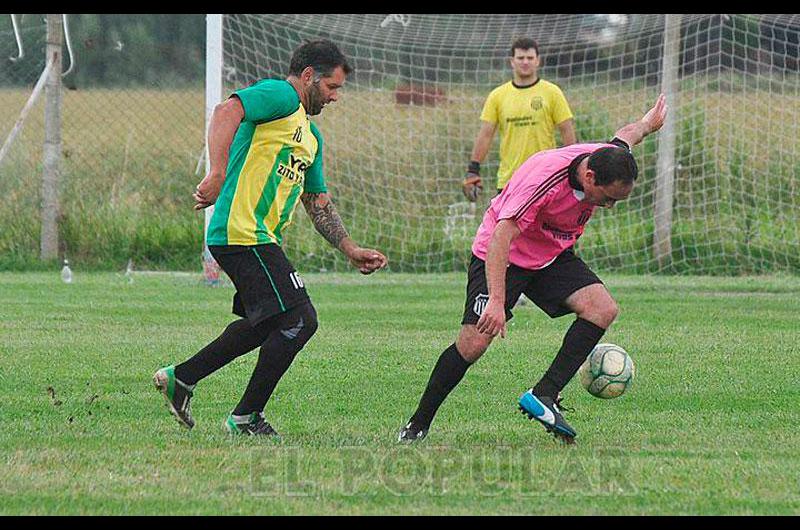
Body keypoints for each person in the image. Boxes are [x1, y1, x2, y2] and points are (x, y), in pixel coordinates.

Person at [399, 94, 667, 445]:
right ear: (589, 176)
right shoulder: (543, 180)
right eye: (608, 198)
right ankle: (418, 424)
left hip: (549, 255)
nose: (610, 206)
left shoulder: (609, 160)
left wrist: (648, 124)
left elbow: (627, 135)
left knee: (602, 308)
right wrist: (497, 301)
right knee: (474, 343)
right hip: (501, 255)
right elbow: (501, 236)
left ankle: (544, 394)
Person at [154, 40, 387, 436]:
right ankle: (245, 416)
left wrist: (350, 249)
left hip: (258, 238)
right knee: (301, 319)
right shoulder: (282, 95)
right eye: (332, 87)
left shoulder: (311, 137)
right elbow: (227, 110)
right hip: (242, 233)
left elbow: (317, 202)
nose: (335, 98)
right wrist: (217, 172)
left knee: (267, 323)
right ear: (309, 76)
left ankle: (184, 378)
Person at [462, 37, 577, 202]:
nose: (525, 62)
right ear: (512, 61)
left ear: (538, 61)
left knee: (542, 228)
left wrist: (572, 166)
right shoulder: (497, 95)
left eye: (530, 58)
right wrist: (473, 168)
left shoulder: (552, 92)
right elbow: (486, 134)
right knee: (506, 228)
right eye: (520, 58)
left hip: (544, 178)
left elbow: (566, 129)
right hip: (509, 180)